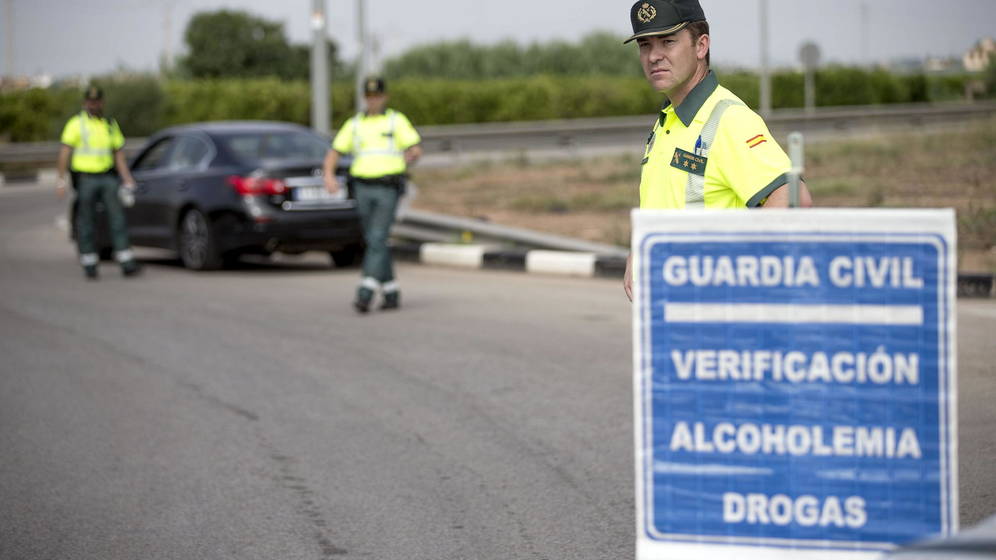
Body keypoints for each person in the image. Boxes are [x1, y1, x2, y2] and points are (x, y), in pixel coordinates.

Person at [621, 0, 813, 300]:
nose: (654, 56)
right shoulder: (669, 119)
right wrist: (640, 246)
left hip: (712, 313)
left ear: (701, 46)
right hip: (668, 312)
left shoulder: (729, 119)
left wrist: (727, 275)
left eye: (668, 42)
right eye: (645, 45)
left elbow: (793, 201)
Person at [323, 77, 423, 313]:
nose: (373, 100)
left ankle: (365, 290)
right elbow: (334, 152)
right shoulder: (355, 124)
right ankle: (390, 291)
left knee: (377, 237)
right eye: (369, 96)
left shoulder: (395, 121)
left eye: (377, 96)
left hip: (388, 187)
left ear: (384, 97)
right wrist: (328, 175)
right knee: (374, 239)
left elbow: (415, 148)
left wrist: (413, 155)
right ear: (364, 98)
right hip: (362, 187)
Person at [56, 85, 141, 280]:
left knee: (117, 218)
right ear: (85, 103)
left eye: (96, 102)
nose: (93, 105)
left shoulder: (110, 124)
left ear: (102, 102)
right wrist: (61, 180)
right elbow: (64, 153)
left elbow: (118, 153)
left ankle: (126, 261)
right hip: (86, 179)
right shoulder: (76, 124)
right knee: (86, 221)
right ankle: (89, 263)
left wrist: (128, 179)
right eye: (90, 102)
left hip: (108, 178)